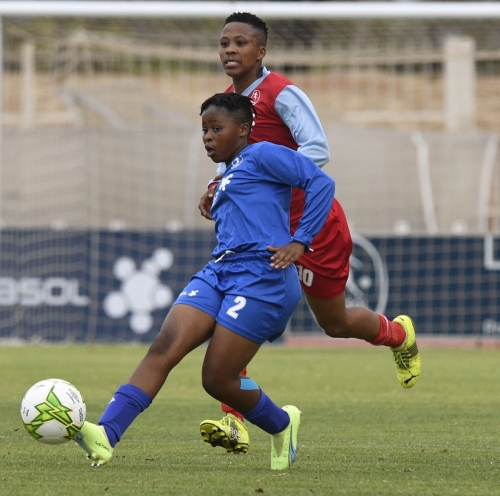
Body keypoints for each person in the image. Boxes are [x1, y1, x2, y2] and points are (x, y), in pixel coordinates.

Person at [73, 92, 335, 471]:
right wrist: (216, 197)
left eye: (216, 128)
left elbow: (321, 184)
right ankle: (106, 435)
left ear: (244, 130)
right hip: (220, 271)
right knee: (164, 345)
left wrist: (300, 241)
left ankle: (282, 423)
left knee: (216, 379)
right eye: (204, 130)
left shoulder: (263, 154)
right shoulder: (229, 171)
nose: (208, 137)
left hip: (264, 276)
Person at [198, 12, 421, 455]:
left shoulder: (282, 93)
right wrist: (215, 185)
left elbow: (317, 148)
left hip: (311, 225)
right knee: (238, 312)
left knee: (334, 323)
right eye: (225, 43)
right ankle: (234, 420)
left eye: (241, 43)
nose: (230, 50)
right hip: (262, 231)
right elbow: (231, 162)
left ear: (260, 51)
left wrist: (272, 175)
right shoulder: (225, 102)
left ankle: (398, 336)